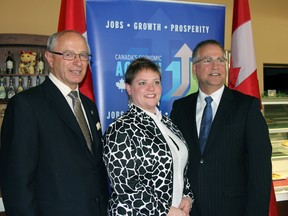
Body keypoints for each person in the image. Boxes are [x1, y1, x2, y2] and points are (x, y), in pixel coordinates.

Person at [0, 30, 109, 216]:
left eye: (83, 55)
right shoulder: (25, 105)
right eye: (68, 54)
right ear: (50, 58)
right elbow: (16, 181)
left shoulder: (89, 106)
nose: (78, 62)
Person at [170, 39, 272, 216]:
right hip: (188, 210)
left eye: (221, 60)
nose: (215, 66)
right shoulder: (180, 108)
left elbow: (260, 171)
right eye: (208, 60)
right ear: (194, 69)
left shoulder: (247, 107)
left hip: (232, 209)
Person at [103, 57, 193, 216]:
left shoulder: (168, 123)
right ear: (129, 88)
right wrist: (165, 211)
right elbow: (126, 186)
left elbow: (179, 167)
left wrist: (187, 196)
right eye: (142, 83)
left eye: (156, 82)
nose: (151, 88)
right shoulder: (120, 129)